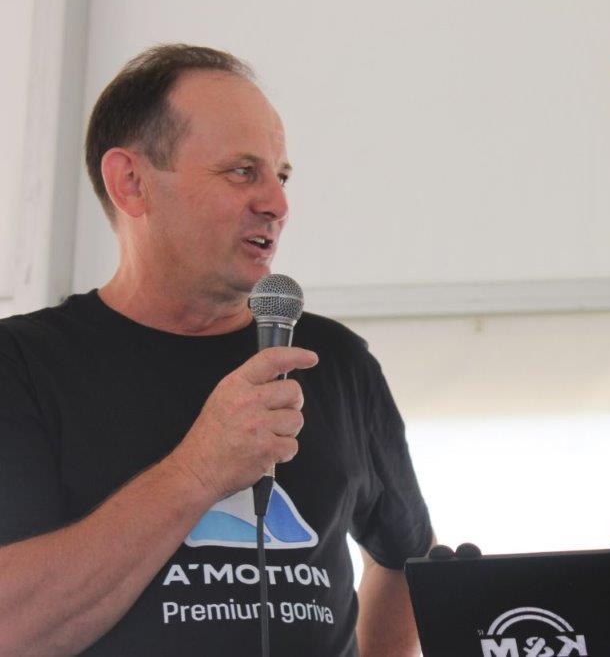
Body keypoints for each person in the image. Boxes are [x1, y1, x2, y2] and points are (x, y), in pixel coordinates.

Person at [0, 45, 432, 655]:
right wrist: (199, 471)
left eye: (281, 176)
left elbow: (407, 559)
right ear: (131, 183)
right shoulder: (21, 366)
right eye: (242, 171)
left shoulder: (335, 361)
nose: (277, 204)